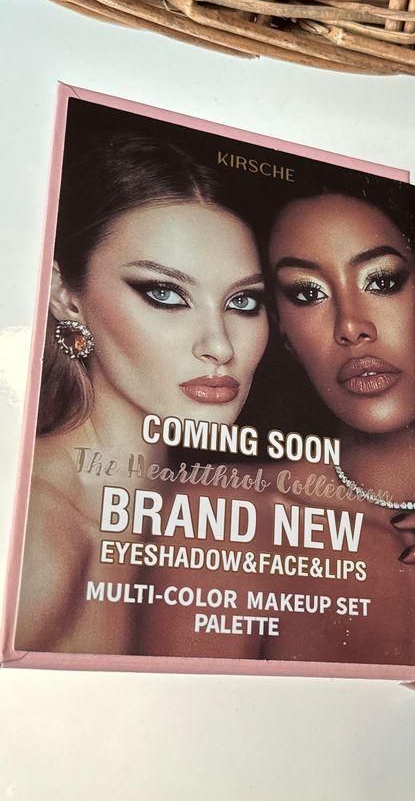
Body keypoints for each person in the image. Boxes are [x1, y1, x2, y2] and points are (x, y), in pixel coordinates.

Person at [16, 124, 269, 656]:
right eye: (166, 294)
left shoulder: (204, 521)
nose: (219, 345)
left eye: (243, 302)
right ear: (66, 297)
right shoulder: (32, 528)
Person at [258, 181, 415, 666]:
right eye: (307, 293)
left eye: (382, 281)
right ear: (282, 329)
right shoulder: (234, 519)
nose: (351, 327)